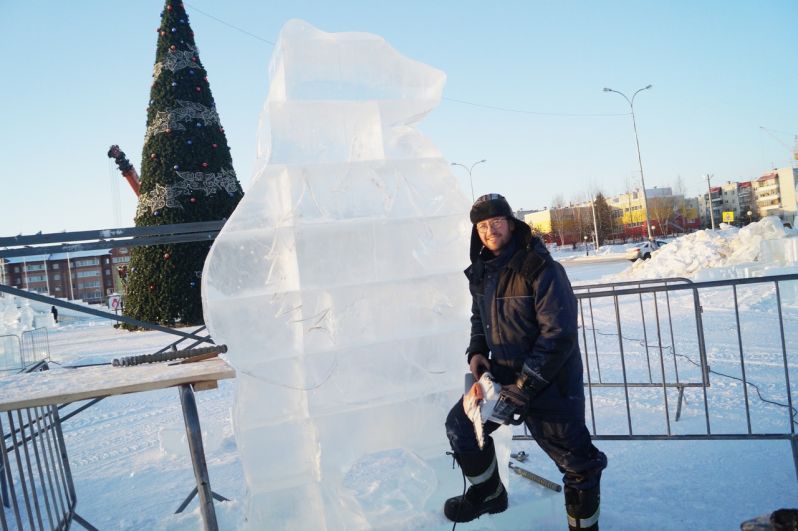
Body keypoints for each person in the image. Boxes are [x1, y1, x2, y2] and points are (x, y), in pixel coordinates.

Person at [444, 193, 607, 529]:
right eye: (482, 226)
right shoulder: (483, 271)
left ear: (511, 223)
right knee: (462, 427)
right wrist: (477, 350)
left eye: (496, 223)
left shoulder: (540, 268)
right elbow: (480, 316)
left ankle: (585, 526)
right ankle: (489, 494)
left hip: (550, 385)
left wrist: (526, 385)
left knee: (579, 464)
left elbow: (558, 334)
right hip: (502, 379)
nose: (490, 231)